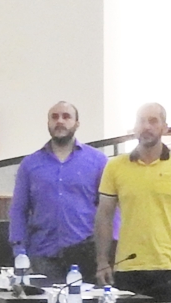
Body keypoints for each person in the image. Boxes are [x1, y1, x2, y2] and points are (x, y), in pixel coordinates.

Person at [93, 103, 171, 303]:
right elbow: (104, 215)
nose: (146, 126)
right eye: (141, 121)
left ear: (165, 128)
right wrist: (102, 261)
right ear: (134, 128)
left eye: (153, 121)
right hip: (127, 266)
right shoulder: (115, 166)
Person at [8, 100, 106, 279]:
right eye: (54, 117)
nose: (60, 121)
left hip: (86, 255)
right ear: (48, 123)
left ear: (77, 123)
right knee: (42, 298)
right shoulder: (30, 164)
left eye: (66, 117)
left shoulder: (98, 162)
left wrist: (109, 250)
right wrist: (19, 249)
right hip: (42, 256)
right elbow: (18, 210)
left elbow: (109, 209)